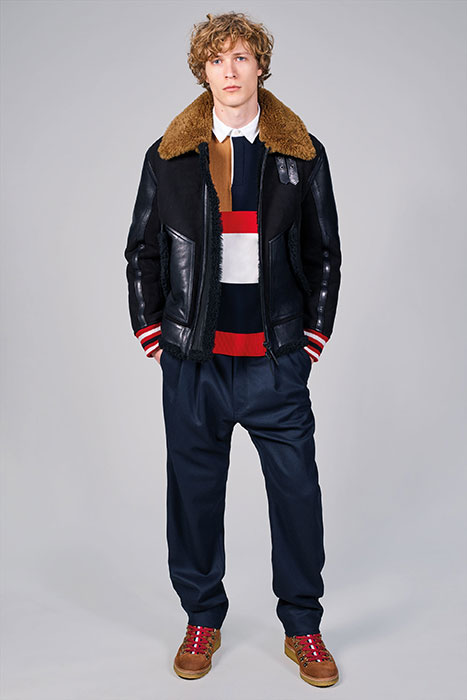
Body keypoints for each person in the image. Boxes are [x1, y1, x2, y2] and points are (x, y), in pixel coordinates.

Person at [124, 11, 342, 688]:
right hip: (195, 364)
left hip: (275, 360)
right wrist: (154, 333)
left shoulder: (301, 154)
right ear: (203, 72)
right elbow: (141, 251)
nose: (230, 70)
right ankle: (201, 618)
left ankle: (302, 628)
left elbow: (325, 252)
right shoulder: (168, 156)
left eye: (242, 57)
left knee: (297, 495)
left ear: (260, 67)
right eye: (217, 60)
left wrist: (310, 339)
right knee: (193, 497)